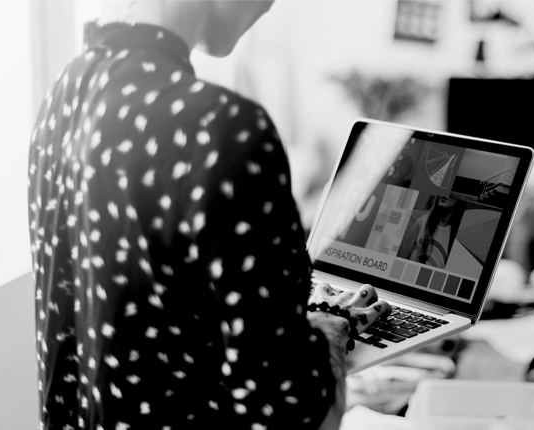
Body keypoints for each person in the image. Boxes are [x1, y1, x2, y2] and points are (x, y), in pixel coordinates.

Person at [27, 2, 390, 429]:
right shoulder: (225, 128)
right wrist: (330, 327)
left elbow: (148, 313)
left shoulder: (68, 90)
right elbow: (295, 414)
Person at [397, 195, 466, 268]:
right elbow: (400, 260)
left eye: (452, 192)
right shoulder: (421, 222)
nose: (445, 194)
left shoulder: (459, 235)